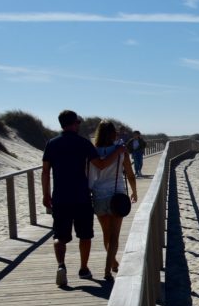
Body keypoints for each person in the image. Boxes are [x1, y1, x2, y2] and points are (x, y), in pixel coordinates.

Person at [41, 110, 124, 287]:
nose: (79, 125)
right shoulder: (83, 143)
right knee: (85, 235)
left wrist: (45, 194)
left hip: (60, 197)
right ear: (74, 123)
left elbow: (45, 171)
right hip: (81, 197)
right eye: (78, 122)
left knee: (59, 235)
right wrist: (117, 151)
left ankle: (61, 266)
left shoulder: (52, 144)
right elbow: (101, 165)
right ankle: (83, 268)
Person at [89, 120, 138, 282]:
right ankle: (107, 270)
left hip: (98, 195)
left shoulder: (93, 151)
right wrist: (134, 191)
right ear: (113, 134)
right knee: (115, 235)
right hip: (116, 194)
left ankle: (113, 262)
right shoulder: (121, 151)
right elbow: (130, 174)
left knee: (106, 233)